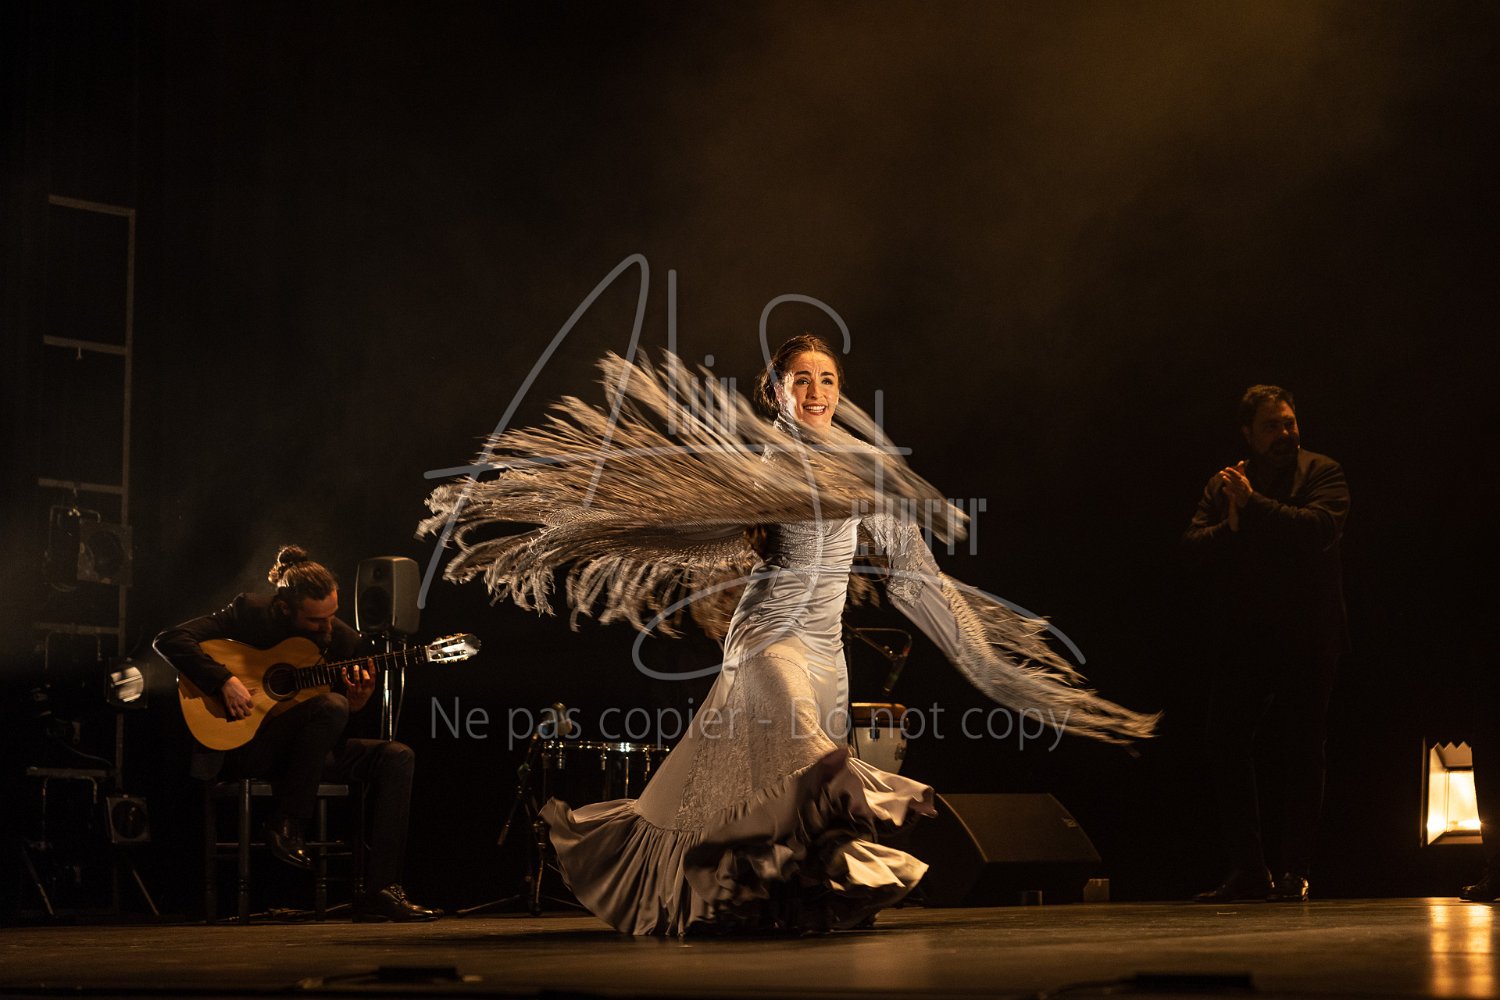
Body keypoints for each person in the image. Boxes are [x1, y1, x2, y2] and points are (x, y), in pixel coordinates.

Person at [423, 337, 1157, 936]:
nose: (816, 390)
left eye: (827, 379)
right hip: (767, 639)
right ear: (775, 390)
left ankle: (774, 904)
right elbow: (694, 528)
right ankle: (818, 881)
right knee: (815, 759)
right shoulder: (758, 462)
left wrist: (986, 661)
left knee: (777, 789)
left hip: (827, 651)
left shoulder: (866, 470)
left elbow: (913, 580)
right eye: (801, 379)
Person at [154, 545, 438, 922]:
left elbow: (336, 720)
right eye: (316, 620)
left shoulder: (343, 641)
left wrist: (357, 703)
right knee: (331, 705)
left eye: (332, 615)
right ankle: (288, 822)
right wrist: (222, 680)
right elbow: (170, 640)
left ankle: (381, 891)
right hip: (250, 748)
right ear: (285, 608)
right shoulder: (249, 613)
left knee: (397, 756)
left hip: (306, 758)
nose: (328, 627)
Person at [1183, 385, 1350, 904]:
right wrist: (1233, 525)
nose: (1285, 433)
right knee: (1224, 739)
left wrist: (1252, 507)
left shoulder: (1322, 472)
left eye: (1289, 422)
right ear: (1248, 434)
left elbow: (1317, 528)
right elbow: (1192, 548)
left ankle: (1295, 871)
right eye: (1272, 426)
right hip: (1247, 636)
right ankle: (1250, 870)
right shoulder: (1226, 484)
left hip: (1308, 634)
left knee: (1303, 748)